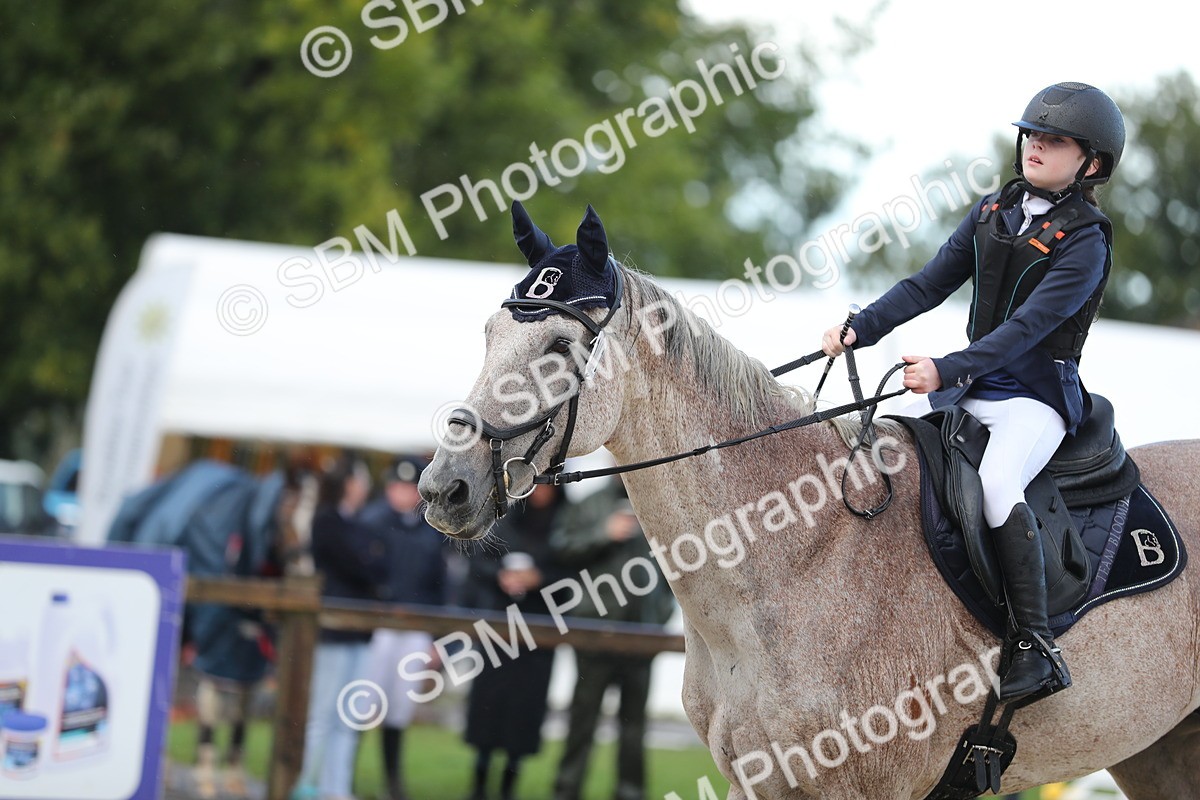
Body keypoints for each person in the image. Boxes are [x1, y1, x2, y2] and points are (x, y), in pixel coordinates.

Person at [820, 82, 1124, 703]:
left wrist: (946, 369)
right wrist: (862, 326)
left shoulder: (1087, 240)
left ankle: (1035, 646)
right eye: (1033, 134)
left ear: (1090, 164)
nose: (1037, 145)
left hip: (1034, 400)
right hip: (972, 388)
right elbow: (927, 284)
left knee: (996, 485)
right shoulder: (993, 213)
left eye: (1056, 140)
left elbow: (1028, 330)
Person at [549, 478, 675, 800]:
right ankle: (566, 790)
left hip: (642, 636)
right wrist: (601, 535)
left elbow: (677, 565)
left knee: (634, 727)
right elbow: (560, 547)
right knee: (582, 720)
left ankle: (630, 793)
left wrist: (659, 618)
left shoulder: (659, 503)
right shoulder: (589, 503)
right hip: (594, 633)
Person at [460, 483, 568, 800]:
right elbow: (477, 563)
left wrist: (541, 580)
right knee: (487, 707)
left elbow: (573, 574)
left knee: (524, 712)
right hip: (499, 628)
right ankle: (479, 784)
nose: (541, 492)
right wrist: (500, 577)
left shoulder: (565, 524)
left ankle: (509, 786)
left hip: (538, 634)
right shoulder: (505, 518)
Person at [294, 454, 387, 800]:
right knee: (322, 711)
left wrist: (372, 567)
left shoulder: (359, 523)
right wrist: (370, 566)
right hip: (334, 629)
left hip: (360, 631)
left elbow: (379, 567)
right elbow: (361, 567)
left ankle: (337, 788)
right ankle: (308, 782)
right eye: (360, 480)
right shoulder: (327, 521)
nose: (364, 487)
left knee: (350, 716)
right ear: (348, 483)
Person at [360, 455, 449, 800]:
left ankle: (392, 780)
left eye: (409, 488)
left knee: (399, 707)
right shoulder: (371, 523)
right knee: (363, 703)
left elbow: (443, 586)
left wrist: (438, 638)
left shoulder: (432, 529)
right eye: (397, 486)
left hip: (416, 629)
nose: (402, 494)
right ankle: (341, 775)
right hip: (375, 629)